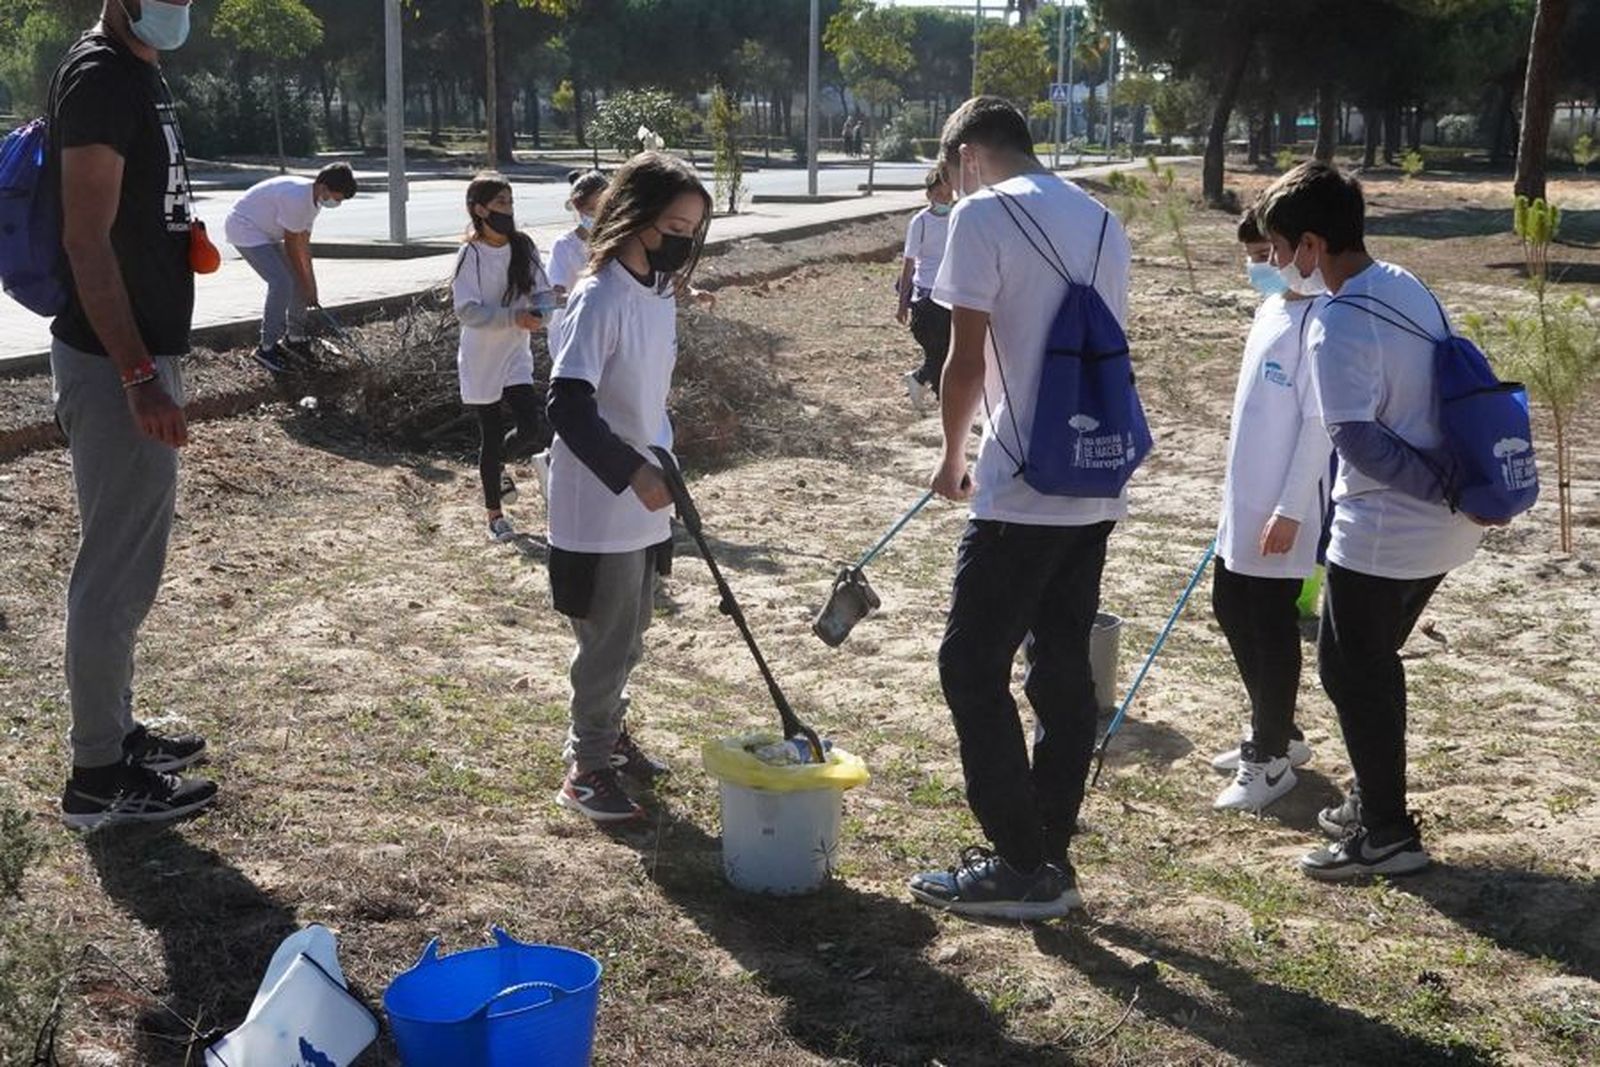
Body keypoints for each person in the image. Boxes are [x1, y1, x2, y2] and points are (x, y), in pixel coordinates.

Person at [909, 97, 1132, 919]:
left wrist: (951, 456)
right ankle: (1047, 846)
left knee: (970, 665)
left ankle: (1018, 861)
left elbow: (963, 360)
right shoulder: (1102, 218)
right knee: (1062, 665)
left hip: (1022, 479)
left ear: (968, 153)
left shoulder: (980, 213)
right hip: (1095, 471)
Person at [1256, 160, 1494, 881]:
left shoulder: (1339, 320)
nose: (1273, 265)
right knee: (1371, 664)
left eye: (1277, 249)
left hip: (1390, 527)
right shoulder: (1403, 283)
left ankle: (1386, 832)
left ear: (1311, 246)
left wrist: (1437, 488)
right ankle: (1374, 797)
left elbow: (1354, 437)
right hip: (1444, 531)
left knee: (1351, 670)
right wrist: (1455, 493)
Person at [50, 0, 216, 830]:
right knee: (114, 573)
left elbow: (130, 215)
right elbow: (86, 241)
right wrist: (139, 373)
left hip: (141, 354)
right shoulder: (99, 78)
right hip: (120, 365)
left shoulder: (138, 71)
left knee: (128, 566)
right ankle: (97, 775)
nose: (179, 8)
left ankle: (114, 734)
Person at [544, 151, 710, 823]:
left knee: (634, 630)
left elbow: (644, 395)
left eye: (693, 229)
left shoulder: (658, 293)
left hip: (647, 495)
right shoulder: (601, 293)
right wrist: (630, 470)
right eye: (672, 224)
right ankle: (584, 768)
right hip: (601, 501)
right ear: (637, 216)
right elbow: (567, 403)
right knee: (606, 640)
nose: (683, 240)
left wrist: (660, 463)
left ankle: (610, 734)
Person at [1207, 207, 1330, 813]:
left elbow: (1316, 424)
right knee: (1229, 604)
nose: (1260, 266)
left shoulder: (1318, 317)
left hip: (1285, 503)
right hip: (1244, 495)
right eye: (1252, 256)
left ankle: (1271, 758)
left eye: (1268, 253)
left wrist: (1289, 508)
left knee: (1271, 619)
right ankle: (1278, 728)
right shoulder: (1271, 309)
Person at [452, 174, 553, 542]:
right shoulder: (471, 254)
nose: (508, 210)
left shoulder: (523, 247)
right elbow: (466, 310)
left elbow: (543, 291)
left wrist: (542, 313)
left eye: (511, 203)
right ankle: (495, 516)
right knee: (490, 436)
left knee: (530, 426)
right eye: (500, 204)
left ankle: (498, 467)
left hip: (515, 353)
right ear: (480, 210)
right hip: (481, 357)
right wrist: (512, 316)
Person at [224, 162, 359, 373]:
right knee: (281, 282)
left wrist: (311, 286)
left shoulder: (314, 203)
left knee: (297, 280)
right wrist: (305, 284)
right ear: (323, 187)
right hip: (245, 229)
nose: (336, 203)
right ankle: (266, 347)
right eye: (336, 198)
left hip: (266, 233)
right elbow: (292, 247)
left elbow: (304, 246)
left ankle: (295, 337)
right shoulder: (297, 198)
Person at [895, 166, 954, 413]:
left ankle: (921, 381)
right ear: (929, 195)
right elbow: (908, 264)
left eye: (948, 194)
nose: (944, 199)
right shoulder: (920, 222)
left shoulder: (958, 217)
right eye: (939, 194)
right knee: (938, 351)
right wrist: (903, 302)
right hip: (928, 296)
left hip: (953, 293)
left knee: (947, 350)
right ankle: (943, 400)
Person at [547, 169, 609, 300]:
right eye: (591, 209)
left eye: (603, 209)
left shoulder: (617, 243)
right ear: (578, 209)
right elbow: (557, 289)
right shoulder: (564, 245)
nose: (598, 216)